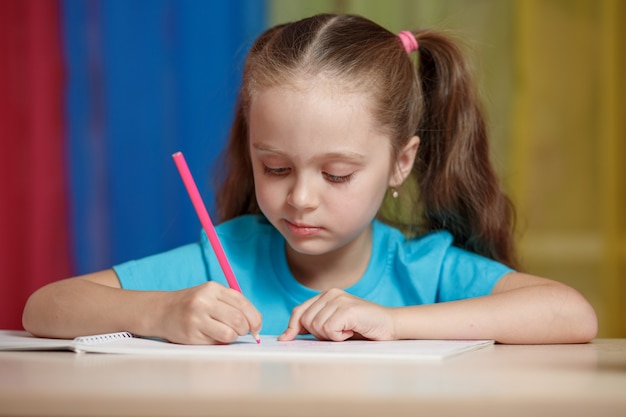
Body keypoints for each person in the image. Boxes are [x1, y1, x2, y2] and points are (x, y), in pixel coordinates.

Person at [22, 13, 597, 345]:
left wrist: (391, 322)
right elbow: (45, 308)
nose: (299, 197)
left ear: (401, 162)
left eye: (337, 174)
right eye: (275, 167)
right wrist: (160, 313)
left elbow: (571, 314)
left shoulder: (423, 271)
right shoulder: (227, 258)